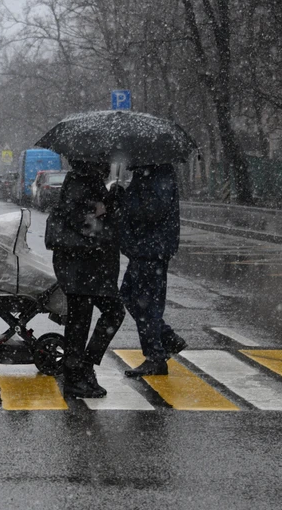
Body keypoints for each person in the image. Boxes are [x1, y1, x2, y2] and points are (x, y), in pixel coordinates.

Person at [45, 160, 126, 398]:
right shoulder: (79, 180)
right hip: (80, 265)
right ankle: (76, 375)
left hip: (91, 266)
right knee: (83, 321)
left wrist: (112, 202)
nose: (109, 161)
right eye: (105, 156)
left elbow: (103, 223)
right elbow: (75, 217)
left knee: (93, 317)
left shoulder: (90, 180)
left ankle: (84, 368)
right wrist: (98, 208)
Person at [117, 163, 187, 377]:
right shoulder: (148, 173)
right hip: (145, 247)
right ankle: (166, 338)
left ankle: (155, 357)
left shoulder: (158, 174)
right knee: (129, 296)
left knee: (146, 303)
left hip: (150, 248)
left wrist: (125, 198)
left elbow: (152, 210)